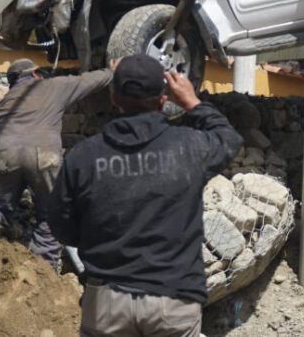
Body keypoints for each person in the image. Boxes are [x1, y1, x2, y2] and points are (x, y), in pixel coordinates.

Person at [48, 55, 242, 337]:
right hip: (174, 300)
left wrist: (97, 239)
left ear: (114, 97)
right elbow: (229, 138)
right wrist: (191, 101)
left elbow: (61, 226)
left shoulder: (83, 157)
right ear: (164, 100)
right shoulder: (189, 146)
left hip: (107, 303)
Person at [0, 59, 113, 267]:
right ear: (35, 74)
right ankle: (42, 270)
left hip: (5, 156)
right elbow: (89, 81)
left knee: (2, 210)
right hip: (44, 157)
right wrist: (111, 70)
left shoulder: (6, 102)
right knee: (49, 215)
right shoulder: (54, 86)